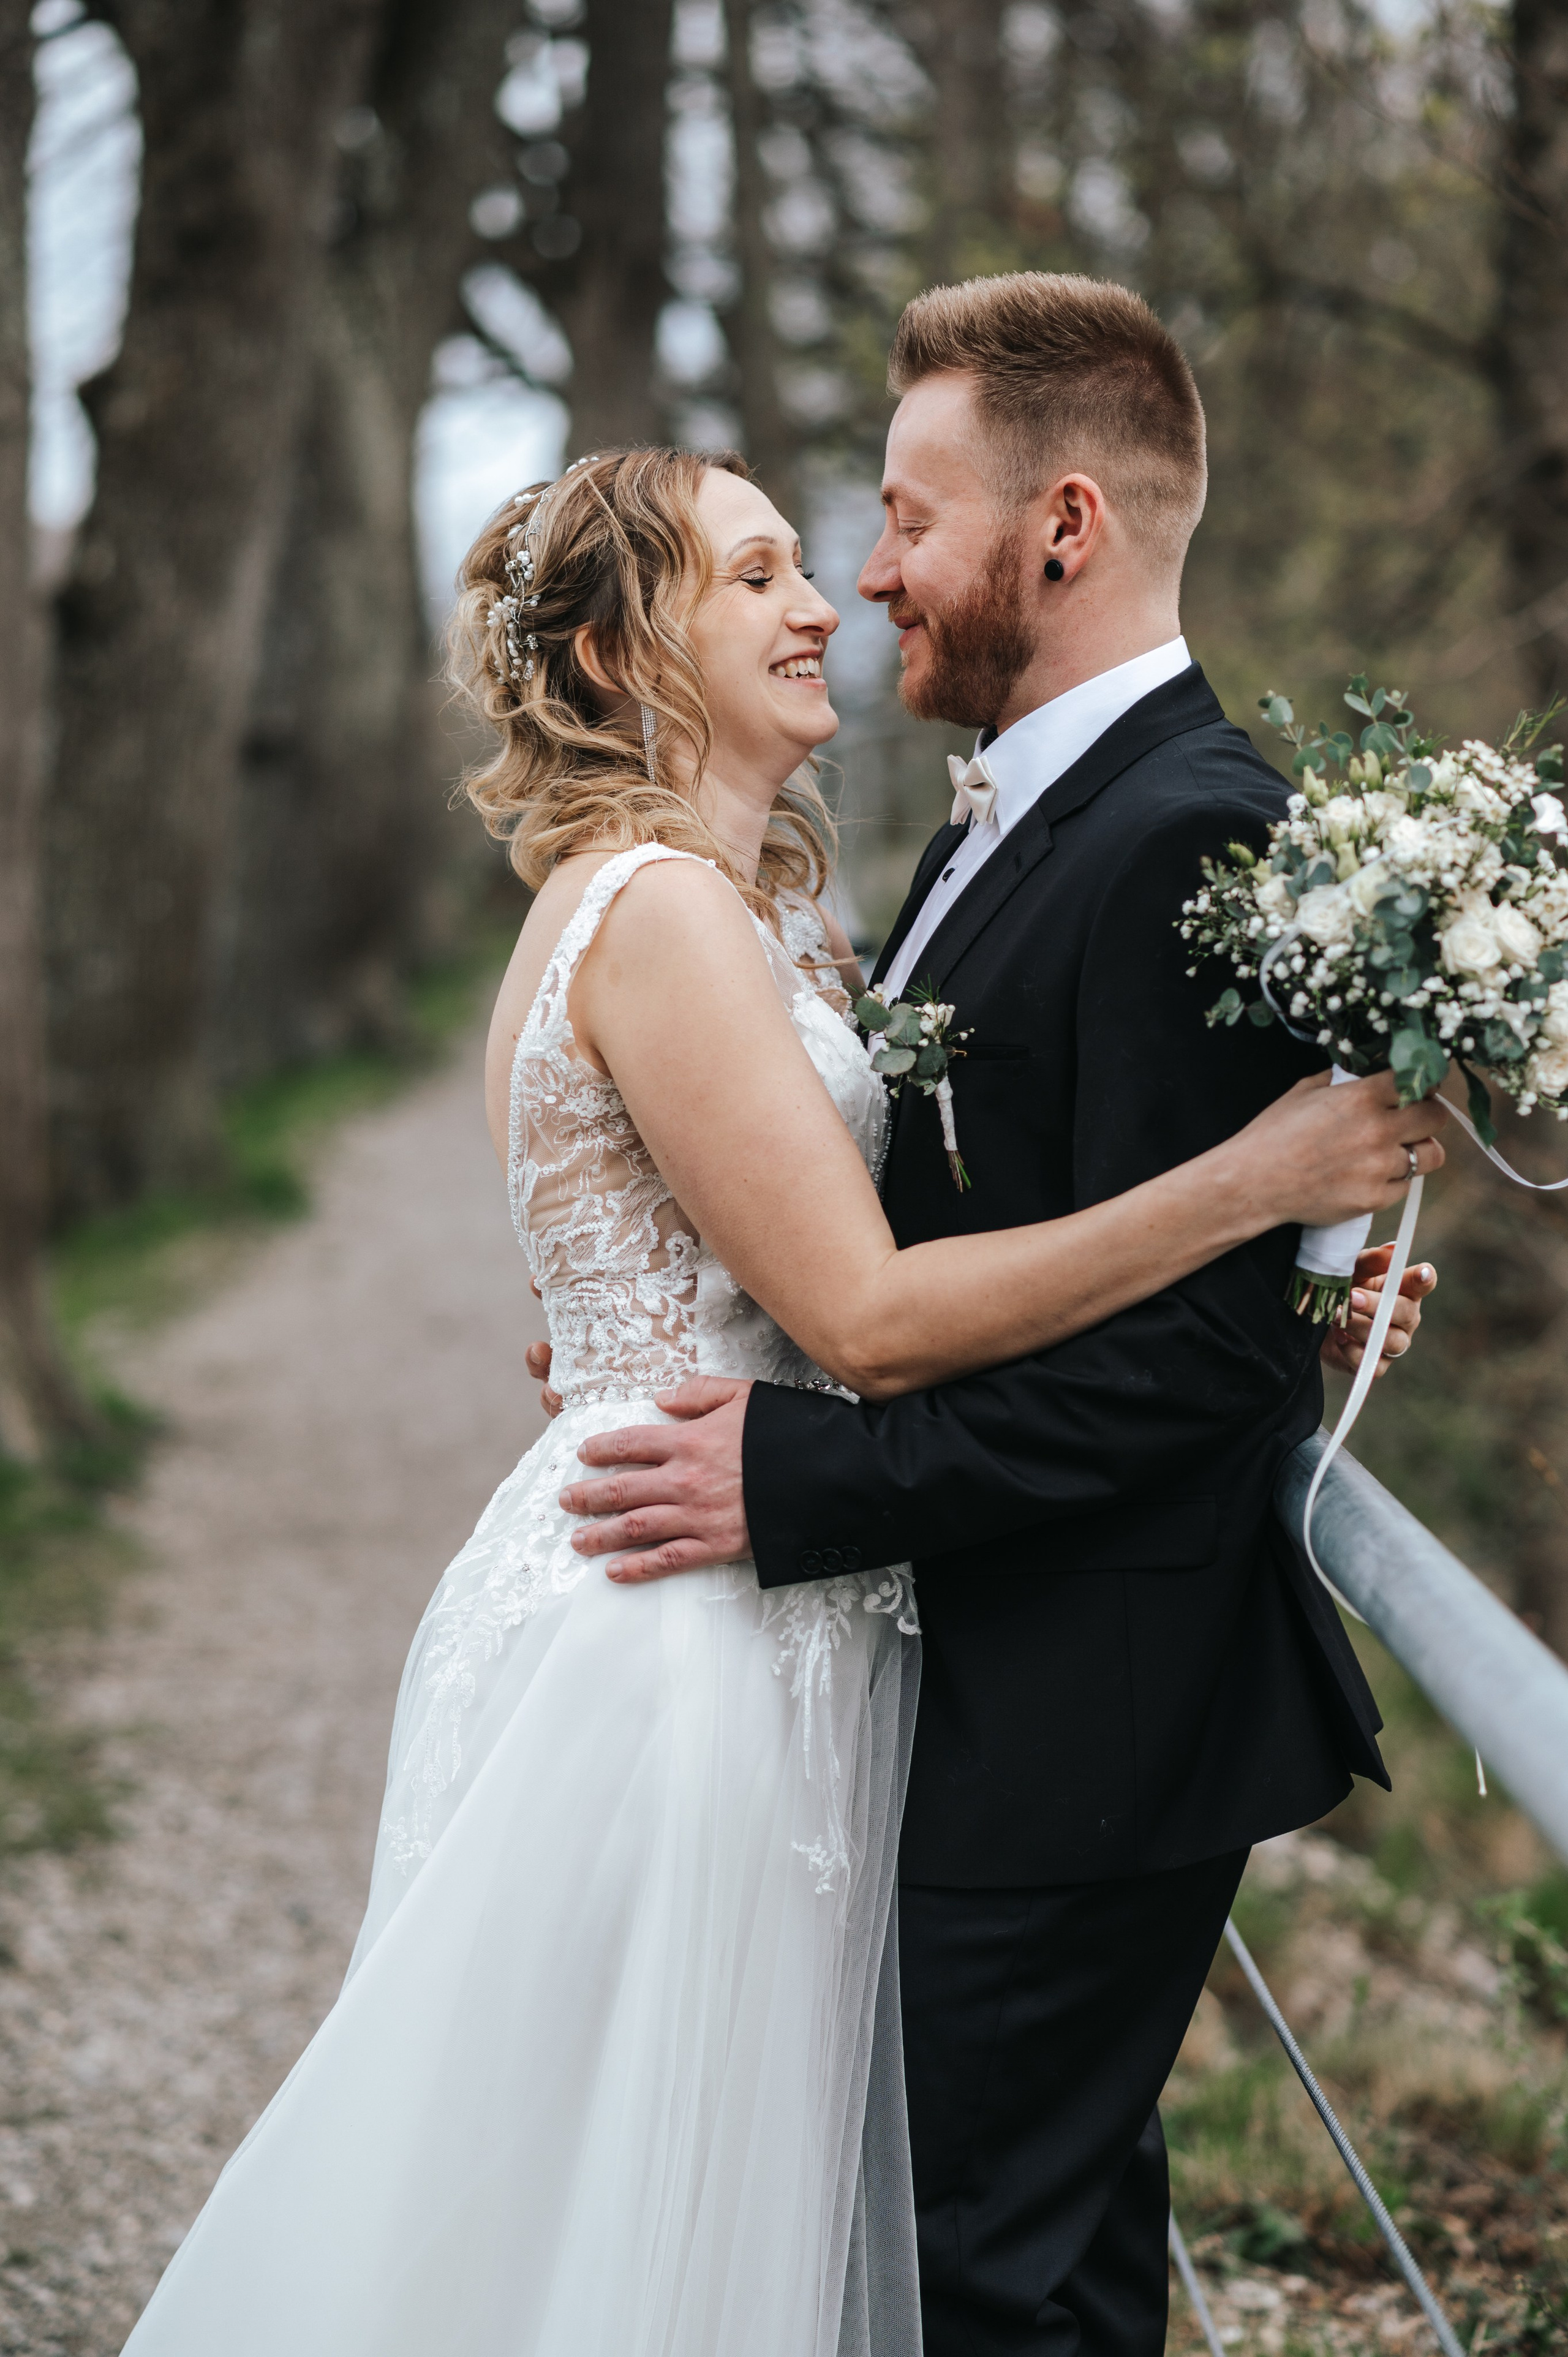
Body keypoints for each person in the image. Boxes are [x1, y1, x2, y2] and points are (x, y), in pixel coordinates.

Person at [119, 431, 1438, 2357]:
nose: (825, 598)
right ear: (604, 659)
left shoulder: (780, 919)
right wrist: (1250, 1188)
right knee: (626, 2200)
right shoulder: (654, 913)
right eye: (751, 576)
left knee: (720, 2199)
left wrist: (1284, 1305)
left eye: (815, 560)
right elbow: (876, 1318)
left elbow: (833, 1235)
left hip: (783, 1592)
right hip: (679, 1627)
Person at [544, 277, 1446, 2357]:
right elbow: (1011, 1228)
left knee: (977, 2278)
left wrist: (798, 1470)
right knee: (1018, 2264)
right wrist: (707, 1334)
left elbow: (1196, 1369)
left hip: (1084, 1711)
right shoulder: (1019, 817)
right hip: (984, 1682)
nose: (867, 581)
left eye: (900, 519)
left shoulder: (1188, 829)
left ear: (1060, 528)